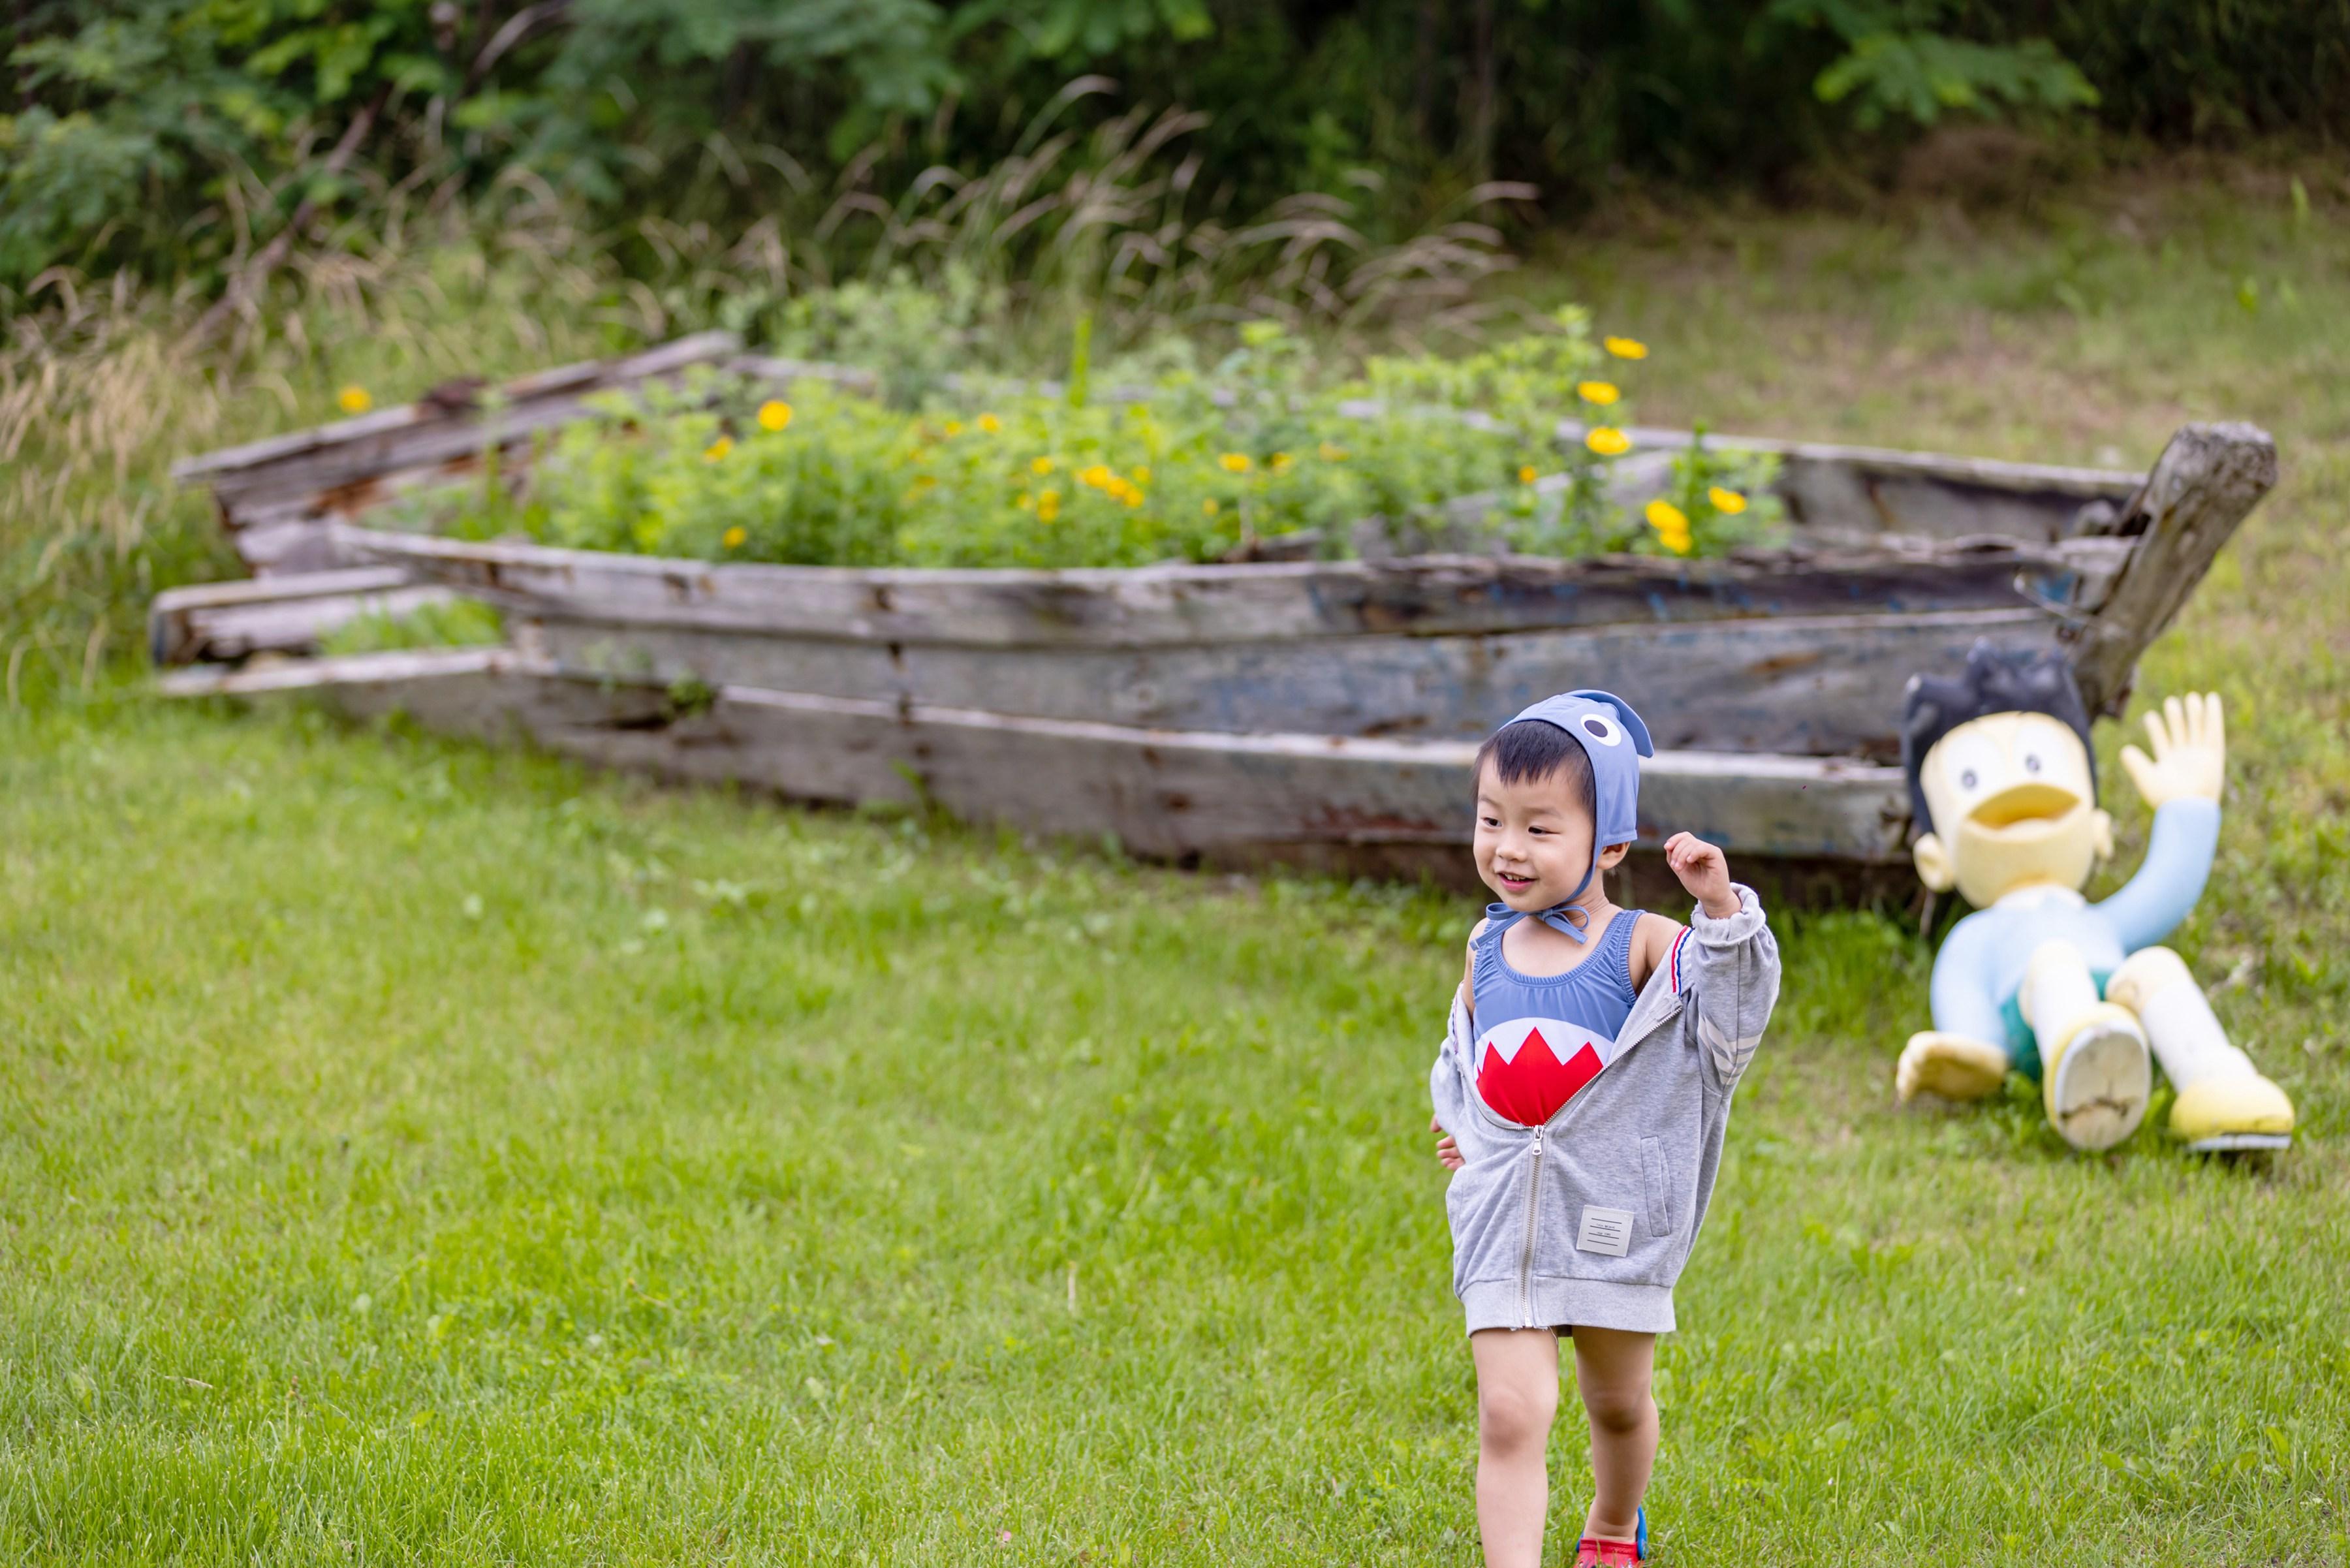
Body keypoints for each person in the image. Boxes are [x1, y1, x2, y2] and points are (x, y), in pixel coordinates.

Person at [1428, 691, 1781, 1567]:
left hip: (1612, 1214)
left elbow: (1728, 1020)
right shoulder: (1484, 948)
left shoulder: (1640, 941)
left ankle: (1616, 1525)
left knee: (1616, 1402)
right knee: (1511, 1411)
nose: (1508, 848)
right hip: (1508, 1220)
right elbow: (1464, 1050)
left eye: (1540, 829)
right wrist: (1464, 1121)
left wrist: (1723, 914)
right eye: (1491, 820)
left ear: (1611, 845)